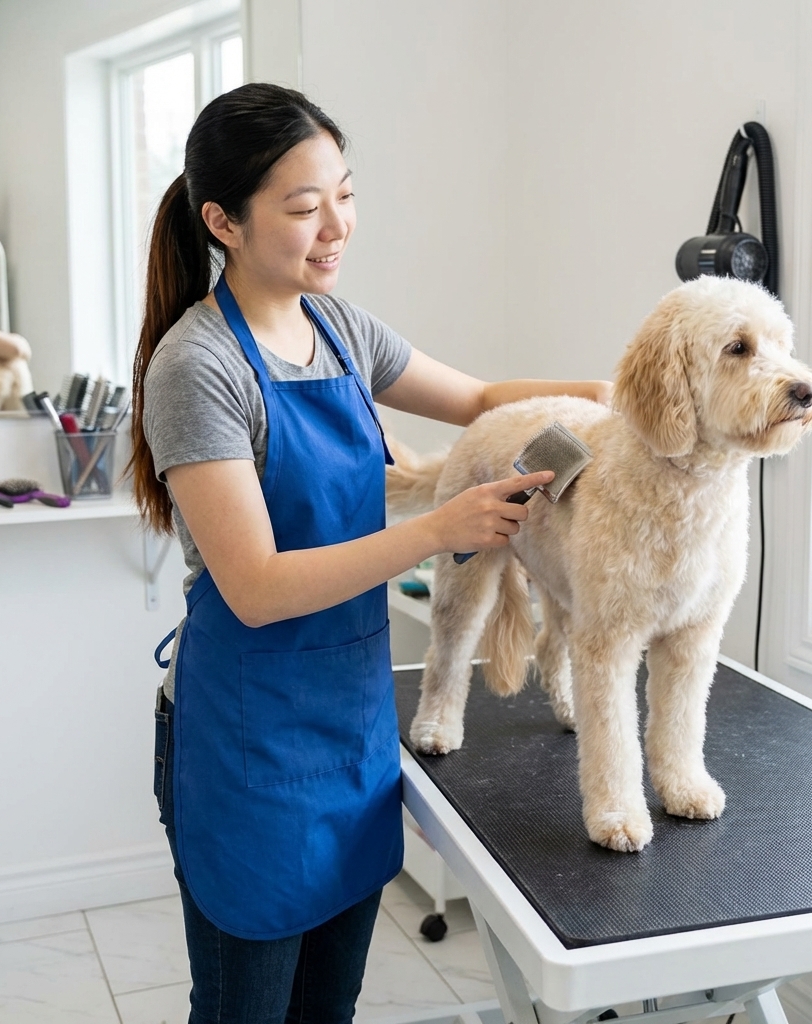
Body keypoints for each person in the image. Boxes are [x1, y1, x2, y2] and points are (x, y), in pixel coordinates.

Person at [130, 82, 610, 1024]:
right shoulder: (197, 369)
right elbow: (259, 589)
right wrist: (438, 529)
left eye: (344, 195)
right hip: (247, 741)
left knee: (328, 1012)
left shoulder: (339, 329)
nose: (335, 227)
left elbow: (476, 400)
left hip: (348, 728)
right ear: (222, 221)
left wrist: (603, 393)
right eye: (304, 209)